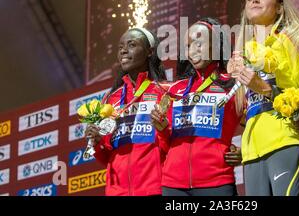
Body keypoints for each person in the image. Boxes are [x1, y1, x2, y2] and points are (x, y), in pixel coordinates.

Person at [229, 0, 299, 196]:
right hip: (252, 151)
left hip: (284, 141)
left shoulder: (287, 43)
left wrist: (265, 89)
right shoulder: (243, 53)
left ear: (279, 7)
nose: (255, 0)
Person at [151, 17, 242, 196]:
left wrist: (246, 151)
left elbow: (256, 122)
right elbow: (166, 143)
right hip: (173, 185)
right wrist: (161, 130)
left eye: (199, 43)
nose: (192, 51)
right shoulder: (176, 89)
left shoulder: (233, 84)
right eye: (188, 46)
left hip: (217, 181)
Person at [84, 27, 169, 196]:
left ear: (149, 52)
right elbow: (106, 156)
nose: (123, 50)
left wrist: (163, 128)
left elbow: (175, 144)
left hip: (154, 189)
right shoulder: (110, 99)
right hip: (116, 192)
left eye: (131, 45)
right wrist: (97, 142)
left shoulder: (166, 92)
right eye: (121, 46)